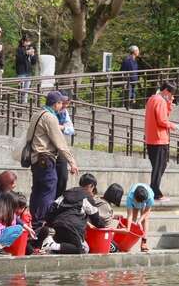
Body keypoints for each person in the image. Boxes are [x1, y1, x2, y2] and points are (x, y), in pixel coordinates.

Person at [27, 91, 78, 227]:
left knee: (37, 190)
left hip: (35, 158)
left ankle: (34, 220)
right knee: (48, 191)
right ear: (56, 103)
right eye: (60, 103)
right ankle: (42, 222)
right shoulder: (50, 117)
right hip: (45, 158)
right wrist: (72, 162)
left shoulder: (37, 114)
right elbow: (60, 142)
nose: (62, 105)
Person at [42, 174, 106, 254]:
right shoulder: (87, 197)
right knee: (80, 249)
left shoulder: (66, 193)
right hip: (72, 228)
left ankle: (53, 245)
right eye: (93, 188)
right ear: (91, 186)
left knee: (66, 246)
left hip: (57, 226)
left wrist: (49, 225)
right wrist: (105, 225)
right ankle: (52, 245)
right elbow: (96, 220)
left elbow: (52, 209)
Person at [144, 82, 178, 201]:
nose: (171, 96)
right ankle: (155, 192)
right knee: (160, 167)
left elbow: (162, 116)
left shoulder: (152, 99)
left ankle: (154, 190)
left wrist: (169, 104)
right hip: (159, 139)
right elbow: (162, 121)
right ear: (167, 91)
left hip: (151, 138)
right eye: (171, 94)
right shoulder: (160, 101)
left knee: (158, 166)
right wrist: (174, 126)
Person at [55, 92, 75, 198]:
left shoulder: (64, 112)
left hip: (60, 149)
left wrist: (62, 127)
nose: (65, 106)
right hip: (48, 150)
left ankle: (58, 201)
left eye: (67, 104)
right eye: (63, 103)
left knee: (63, 177)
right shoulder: (49, 112)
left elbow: (71, 129)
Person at [126, 183, 154, 252]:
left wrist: (140, 221)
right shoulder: (130, 197)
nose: (139, 204)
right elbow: (130, 215)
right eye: (138, 202)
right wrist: (128, 229)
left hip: (144, 203)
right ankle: (128, 243)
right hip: (134, 202)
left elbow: (147, 211)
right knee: (133, 219)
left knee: (145, 219)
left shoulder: (150, 197)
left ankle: (144, 243)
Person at [15, 35, 37, 104]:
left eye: (29, 41)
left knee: (27, 90)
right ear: (23, 41)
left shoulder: (31, 48)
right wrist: (26, 53)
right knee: (21, 89)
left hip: (29, 72)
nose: (28, 43)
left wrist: (33, 54)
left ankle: (24, 103)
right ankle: (20, 103)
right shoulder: (19, 49)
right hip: (21, 72)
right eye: (26, 41)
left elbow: (34, 62)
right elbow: (19, 60)